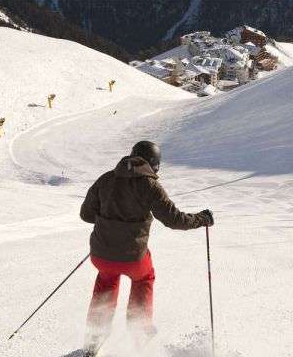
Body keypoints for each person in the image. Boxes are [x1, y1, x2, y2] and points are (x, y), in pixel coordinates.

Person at [80, 141, 214, 356]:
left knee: (107, 277)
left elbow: (86, 214)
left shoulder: (106, 178)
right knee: (144, 277)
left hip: (101, 254)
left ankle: (93, 341)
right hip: (133, 257)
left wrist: (111, 221)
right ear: (154, 164)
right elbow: (174, 220)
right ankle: (139, 335)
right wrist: (202, 219)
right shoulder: (149, 185)